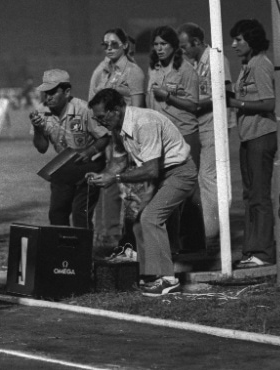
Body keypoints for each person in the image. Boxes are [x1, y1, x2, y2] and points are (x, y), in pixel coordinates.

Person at [86, 88, 198, 296]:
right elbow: (119, 161)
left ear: (115, 110)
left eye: (101, 117)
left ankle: (168, 279)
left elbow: (151, 169)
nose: (99, 122)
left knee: (151, 218)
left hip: (180, 172)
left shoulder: (144, 122)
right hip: (163, 175)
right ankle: (150, 276)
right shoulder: (118, 127)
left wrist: (116, 178)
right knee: (139, 222)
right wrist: (103, 176)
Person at [88, 28, 146, 257]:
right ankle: (110, 235)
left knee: (131, 189)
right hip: (109, 137)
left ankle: (128, 240)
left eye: (114, 44)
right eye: (106, 44)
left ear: (125, 45)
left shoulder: (133, 72)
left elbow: (139, 109)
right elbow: (93, 106)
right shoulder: (101, 72)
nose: (109, 48)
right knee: (111, 184)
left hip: (128, 136)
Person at [148, 25, 205, 252]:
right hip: (163, 137)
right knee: (166, 191)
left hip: (185, 135)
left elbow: (194, 104)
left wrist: (168, 96)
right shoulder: (155, 70)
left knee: (188, 193)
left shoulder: (186, 70)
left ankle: (194, 245)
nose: (160, 49)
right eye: (157, 44)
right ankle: (171, 245)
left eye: (164, 44)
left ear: (174, 46)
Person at [178, 22, 235, 251]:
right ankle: (210, 228)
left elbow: (225, 93)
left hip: (215, 125)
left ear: (197, 42)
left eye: (185, 46)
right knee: (206, 178)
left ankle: (212, 232)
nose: (182, 50)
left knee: (209, 177)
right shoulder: (196, 63)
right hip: (204, 124)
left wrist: (194, 104)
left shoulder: (216, 59)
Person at [31, 69, 110, 228]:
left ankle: (82, 252)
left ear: (67, 92)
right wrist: (38, 129)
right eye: (46, 92)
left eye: (53, 92)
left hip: (89, 163)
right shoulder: (41, 111)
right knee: (57, 212)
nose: (48, 96)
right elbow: (42, 148)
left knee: (80, 212)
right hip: (65, 165)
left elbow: (105, 136)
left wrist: (89, 152)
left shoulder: (84, 109)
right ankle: (62, 251)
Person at [227, 19, 277, 267]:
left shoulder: (260, 65)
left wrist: (239, 104)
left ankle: (264, 252)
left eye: (239, 40)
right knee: (249, 196)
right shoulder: (247, 65)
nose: (234, 44)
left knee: (259, 196)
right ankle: (251, 249)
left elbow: (269, 103)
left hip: (261, 136)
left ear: (252, 41)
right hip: (248, 137)